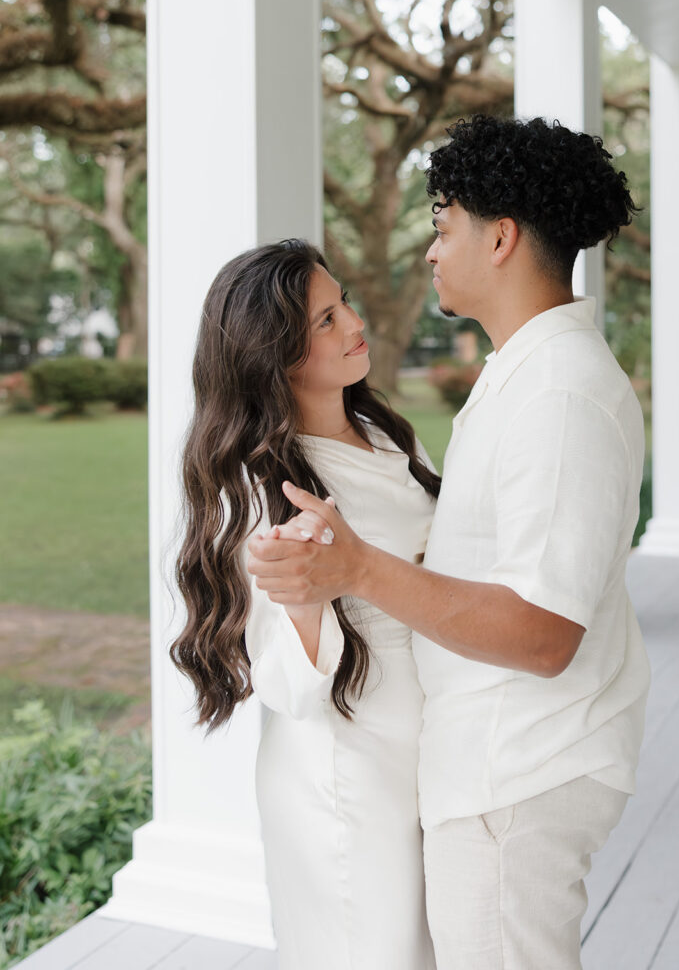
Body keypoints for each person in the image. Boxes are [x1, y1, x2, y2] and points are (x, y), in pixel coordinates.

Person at [247, 115, 652, 970]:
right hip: (462, 765)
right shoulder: (519, 375)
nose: (429, 252)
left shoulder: (558, 396)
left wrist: (359, 566)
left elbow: (543, 635)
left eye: (442, 226)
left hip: (518, 766)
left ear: (499, 237)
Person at [170, 240, 439, 970]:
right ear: (275, 354)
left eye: (342, 301)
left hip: (426, 760)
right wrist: (309, 595)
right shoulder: (266, 491)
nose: (353, 323)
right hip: (347, 778)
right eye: (325, 320)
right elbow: (287, 685)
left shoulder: (383, 435)